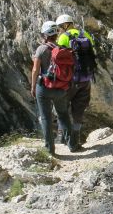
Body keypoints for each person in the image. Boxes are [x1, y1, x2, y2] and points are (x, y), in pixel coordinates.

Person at [30, 20, 74, 155]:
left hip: (43, 87)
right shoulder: (61, 48)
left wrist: (32, 87)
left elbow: (35, 69)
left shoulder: (41, 49)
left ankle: (50, 149)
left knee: (45, 118)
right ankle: (72, 145)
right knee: (63, 115)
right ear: (56, 34)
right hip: (61, 87)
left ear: (45, 34)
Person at [54, 11, 96, 151]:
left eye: (60, 27)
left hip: (70, 80)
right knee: (78, 110)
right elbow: (93, 53)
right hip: (86, 79)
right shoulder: (86, 35)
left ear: (66, 25)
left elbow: (57, 59)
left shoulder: (64, 37)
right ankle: (75, 140)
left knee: (63, 109)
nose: (59, 30)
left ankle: (62, 139)